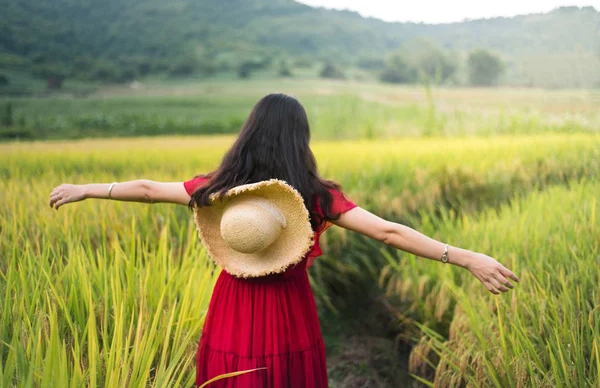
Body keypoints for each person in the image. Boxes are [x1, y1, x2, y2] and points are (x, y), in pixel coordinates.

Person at [49, 93, 520, 387]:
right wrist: (464, 257)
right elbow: (387, 232)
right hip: (289, 309)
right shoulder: (317, 197)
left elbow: (151, 191)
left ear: (248, 134)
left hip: (232, 303)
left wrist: (87, 189)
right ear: (301, 138)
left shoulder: (220, 186)